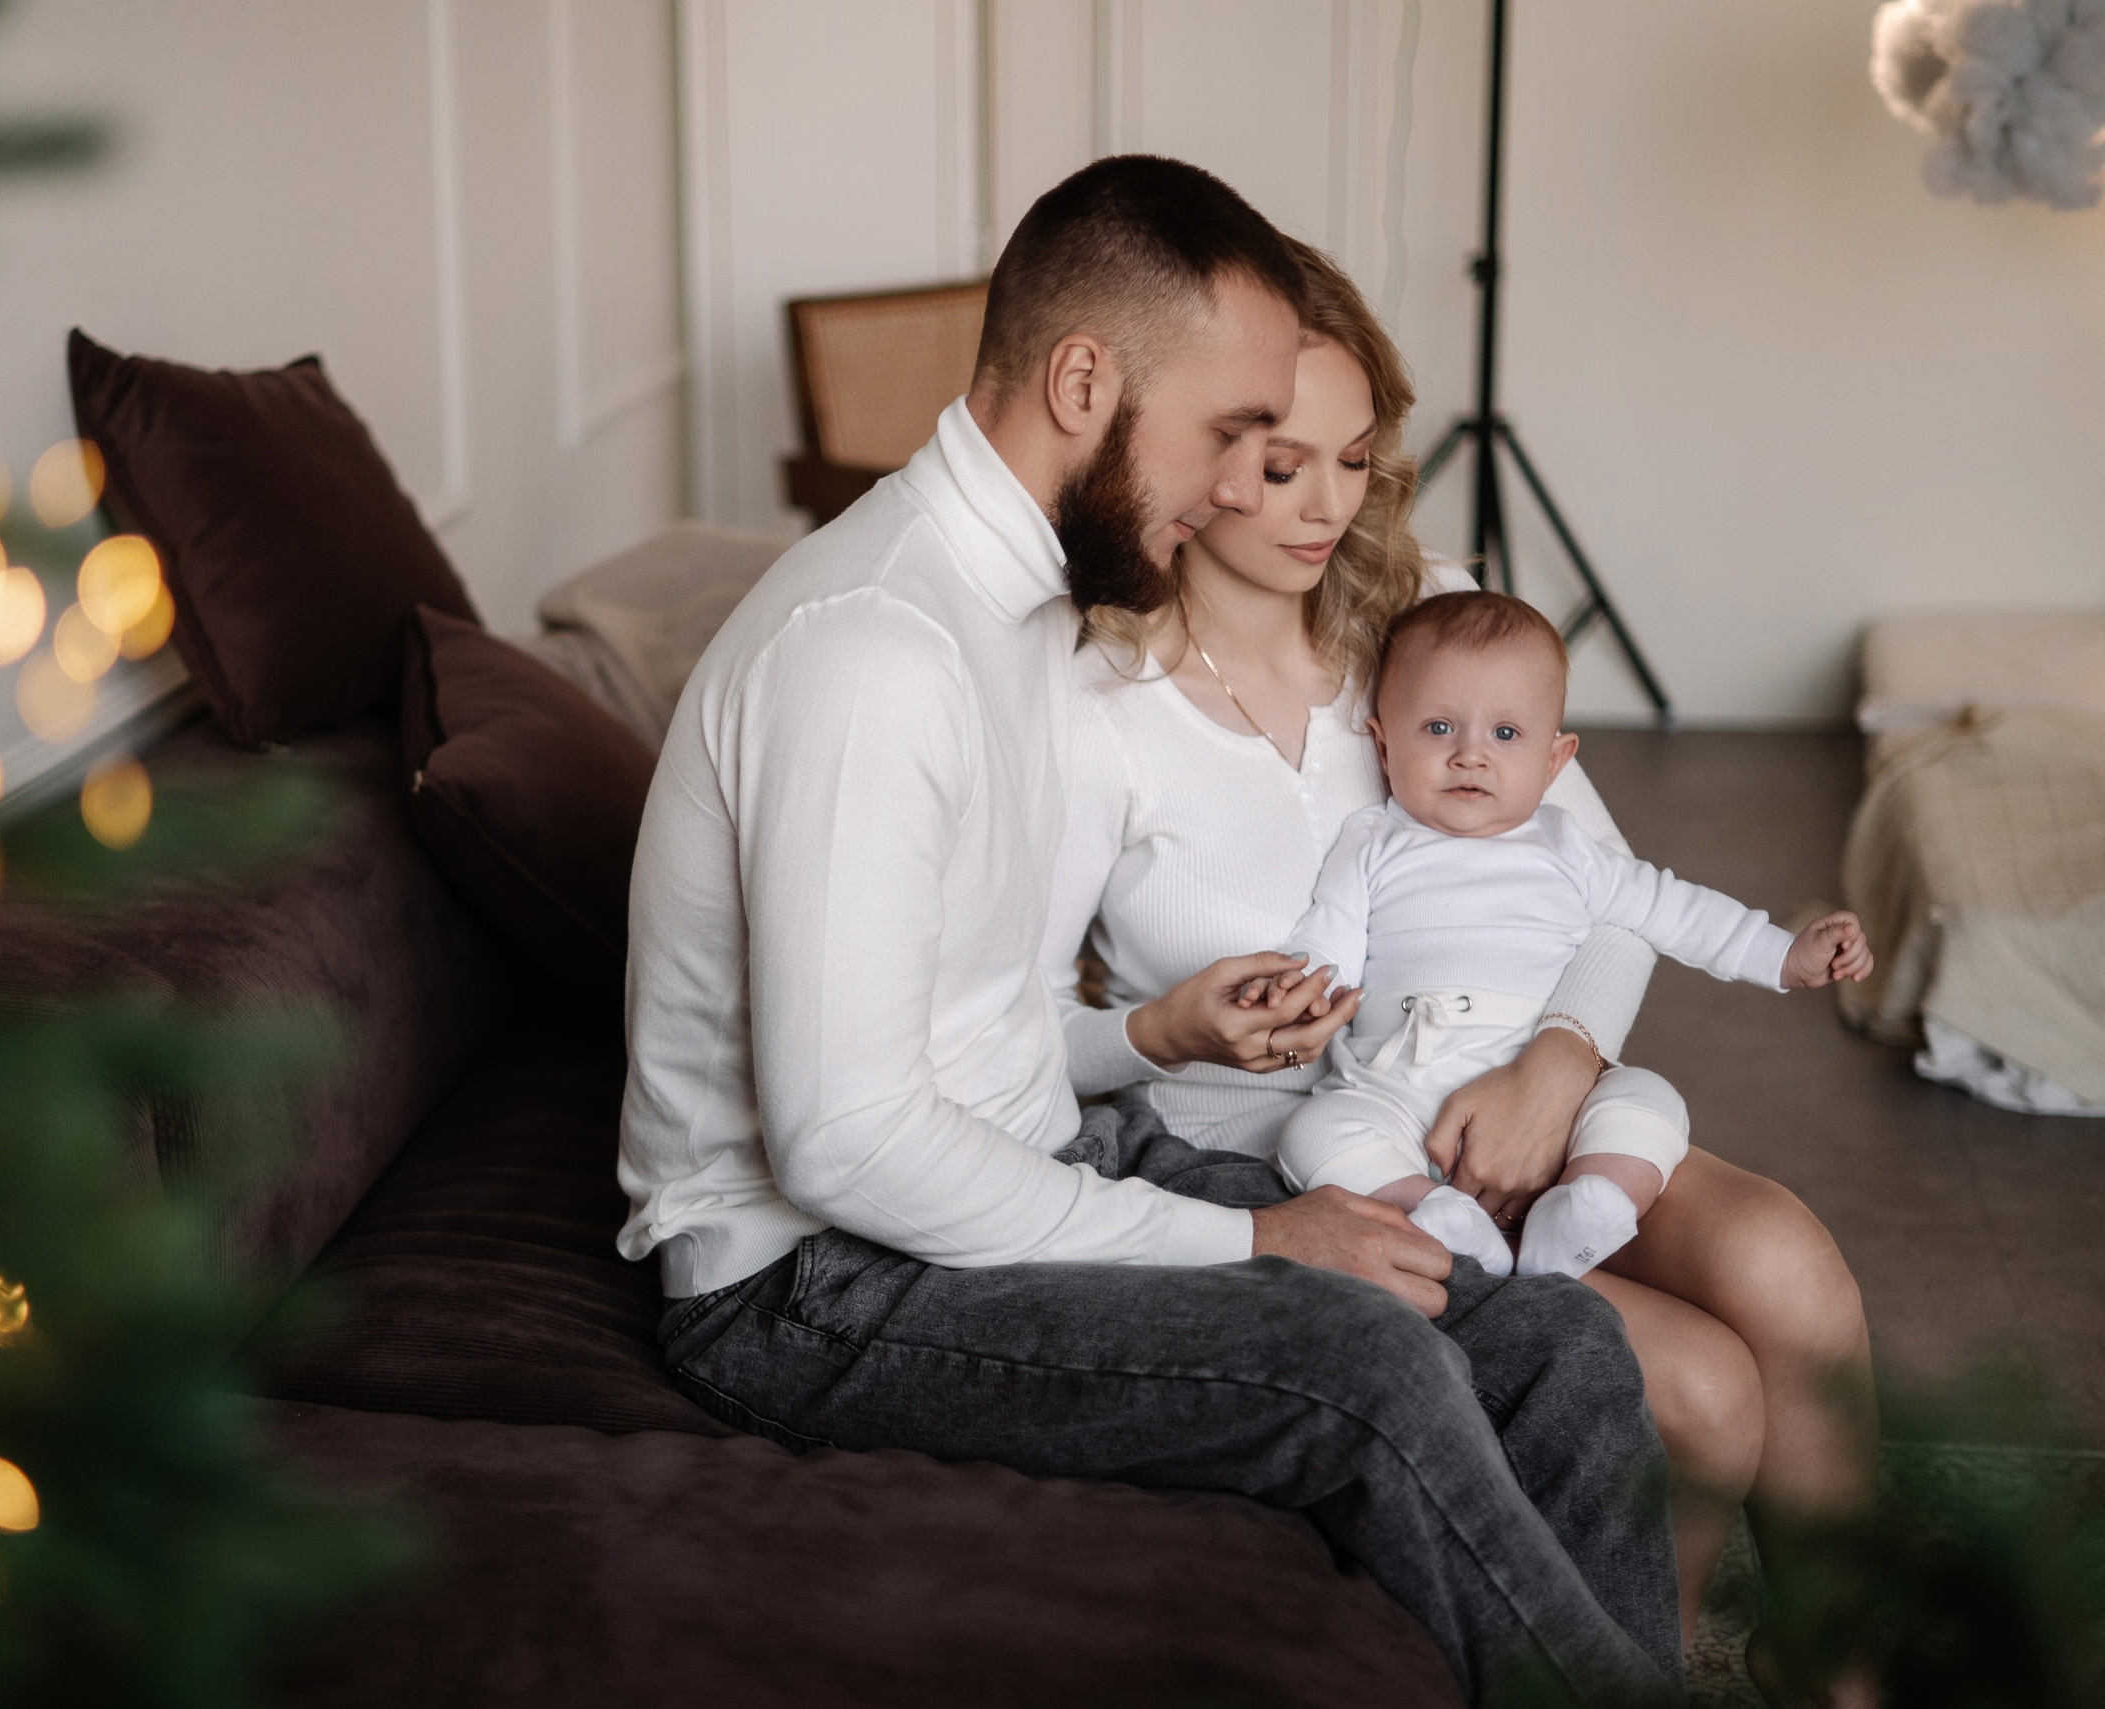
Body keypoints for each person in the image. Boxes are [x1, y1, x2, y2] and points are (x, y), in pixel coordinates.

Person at [619, 155, 1682, 1706]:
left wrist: (1156, 1048)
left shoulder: (1025, 610)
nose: (1236, 489)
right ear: (1082, 380)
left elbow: (978, 1028)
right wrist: (1252, 1234)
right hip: (808, 1282)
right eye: (1230, 435)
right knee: (1373, 1368)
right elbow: (845, 1146)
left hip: (1023, 1164)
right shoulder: (873, 652)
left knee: (1561, 1349)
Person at [1041, 234, 1877, 1700]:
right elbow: (1018, 1024)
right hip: (1306, 1152)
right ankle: (1638, 1669)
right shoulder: (1091, 693)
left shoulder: (1425, 605)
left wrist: (1559, 1068)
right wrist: (1165, 1028)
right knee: (1695, 1388)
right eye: (1277, 458)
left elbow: (1606, 892)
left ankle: (1847, 1678)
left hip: (1517, 1065)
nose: (1325, 505)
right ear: (1184, 438)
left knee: (1788, 1266)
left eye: (1354, 458)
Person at [1268, 588, 1875, 1282]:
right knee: (1313, 1133)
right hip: (1400, 1086)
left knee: (1649, 1102)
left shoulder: (1570, 849)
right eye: (1438, 729)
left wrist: (1784, 954)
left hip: (1547, 1093)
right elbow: (1328, 937)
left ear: (1556, 762)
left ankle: (1585, 1208)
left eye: (1505, 734)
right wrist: (1296, 988)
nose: (1471, 755)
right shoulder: (1372, 842)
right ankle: (1434, 1212)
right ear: (1383, 743)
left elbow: (1672, 908)